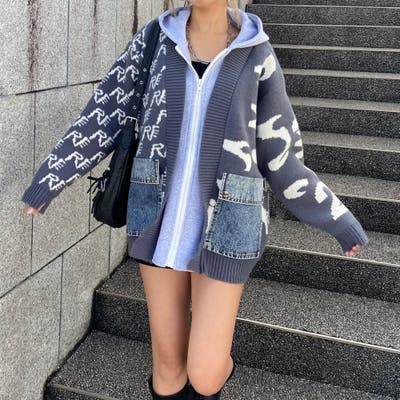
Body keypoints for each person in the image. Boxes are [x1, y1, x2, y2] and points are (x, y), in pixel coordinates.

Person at [21, 0, 368, 398]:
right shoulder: (154, 39)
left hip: (230, 224)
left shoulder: (256, 52)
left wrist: (336, 218)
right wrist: (51, 178)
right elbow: (105, 111)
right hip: (157, 219)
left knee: (204, 373)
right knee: (168, 370)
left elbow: (282, 155)